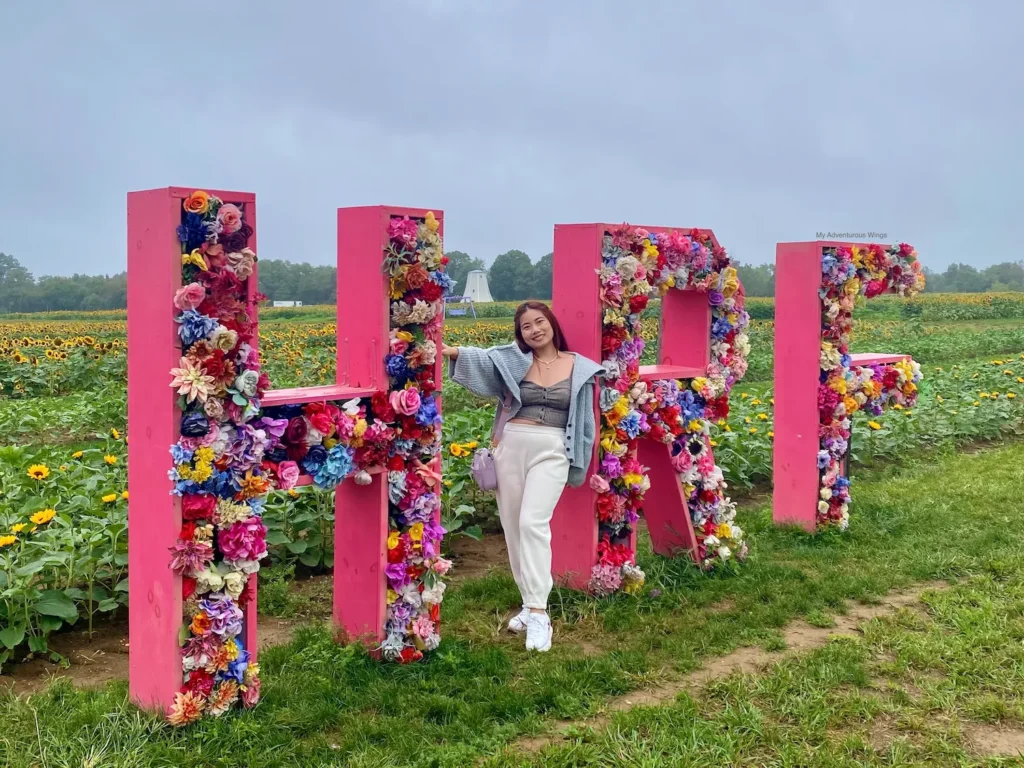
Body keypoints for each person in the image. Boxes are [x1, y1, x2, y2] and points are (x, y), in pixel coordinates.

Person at [442, 301, 605, 652]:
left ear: (551, 324)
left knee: (533, 522)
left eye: (539, 322)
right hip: (511, 447)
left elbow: (587, 424)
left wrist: (580, 462)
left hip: (553, 450)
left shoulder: (580, 368)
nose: (534, 330)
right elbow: (484, 360)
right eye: (526, 326)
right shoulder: (515, 362)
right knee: (514, 527)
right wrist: (451, 350)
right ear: (521, 334)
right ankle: (528, 603)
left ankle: (539, 613)